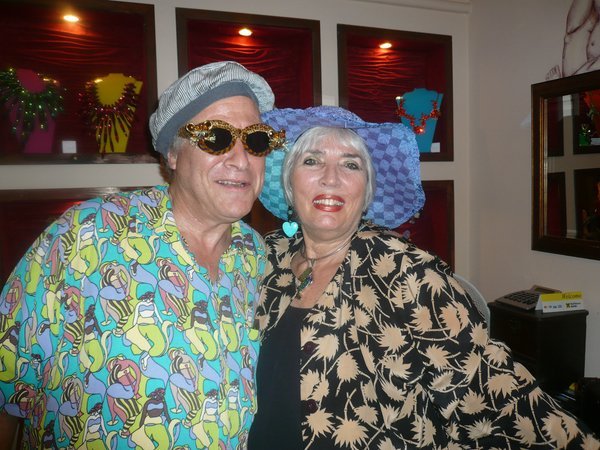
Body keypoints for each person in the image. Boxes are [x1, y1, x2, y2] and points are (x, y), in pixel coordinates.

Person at [248, 105, 600, 449]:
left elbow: (496, 397)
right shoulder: (266, 256)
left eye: (351, 164)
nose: (331, 177)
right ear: (289, 182)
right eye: (312, 160)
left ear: (366, 192)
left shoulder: (405, 271)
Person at [0, 60, 286, 449]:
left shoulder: (261, 258)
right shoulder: (87, 235)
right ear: (173, 154)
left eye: (255, 140)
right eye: (216, 137)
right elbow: (7, 377)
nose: (240, 159)